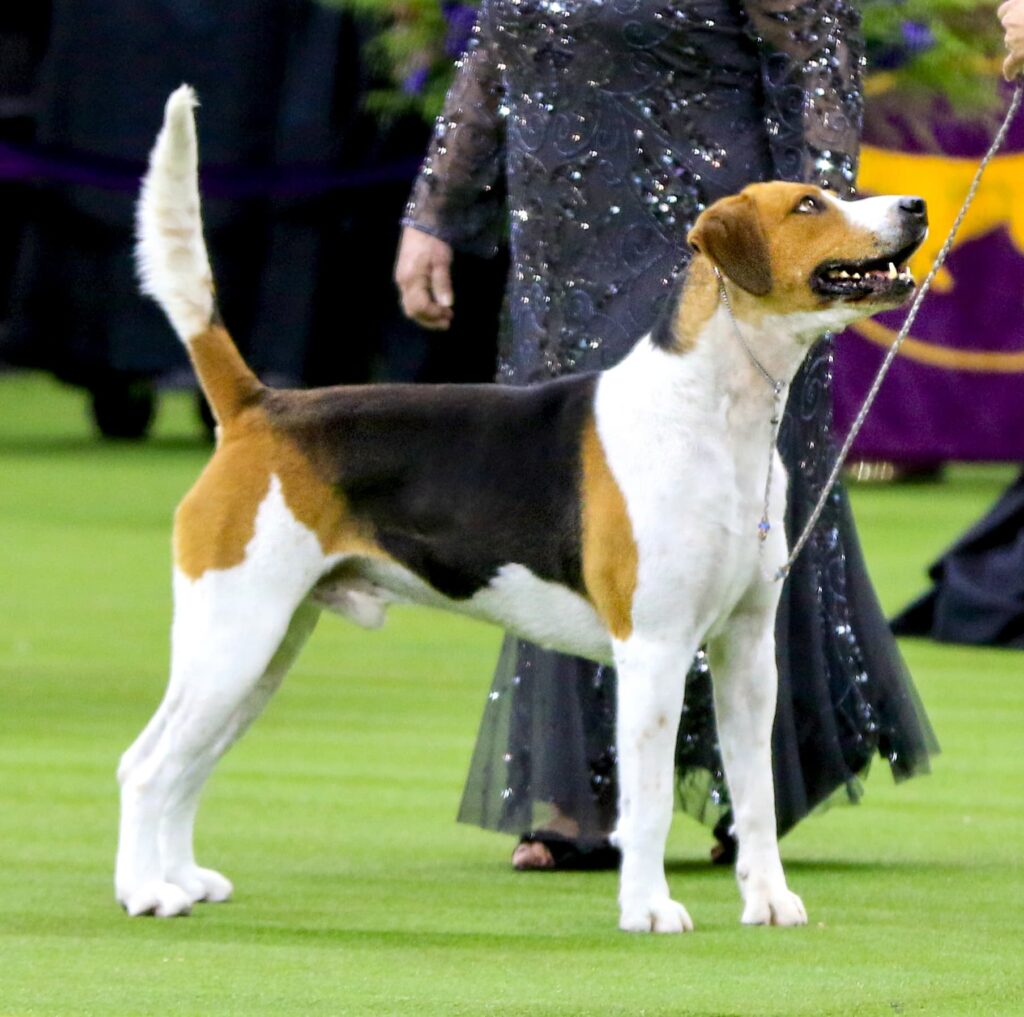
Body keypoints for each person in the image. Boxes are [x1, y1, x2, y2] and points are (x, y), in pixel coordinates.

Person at [395, 0, 937, 870]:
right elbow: (494, 54)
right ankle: (579, 794)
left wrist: (828, 241)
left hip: (710, 236)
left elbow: (821, 56)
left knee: (726, 509)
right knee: (570, 511)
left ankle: (752, 794)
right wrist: (434, 213)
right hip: (561, 243)